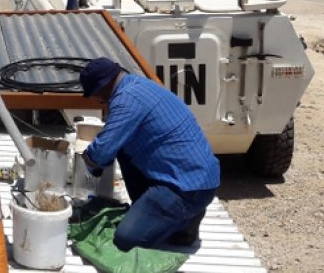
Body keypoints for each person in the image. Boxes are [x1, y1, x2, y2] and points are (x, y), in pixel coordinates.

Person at [79, 58, 220, 250]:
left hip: (186, 189)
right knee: (123, 146)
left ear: (101, 88)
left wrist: (88, 160)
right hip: (197, 177)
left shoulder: (126, 100)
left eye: (96, 96)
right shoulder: (140, 85)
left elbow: (101, 153)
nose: (98, 100)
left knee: (126, 239)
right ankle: (155, 211)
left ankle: (184, 220)